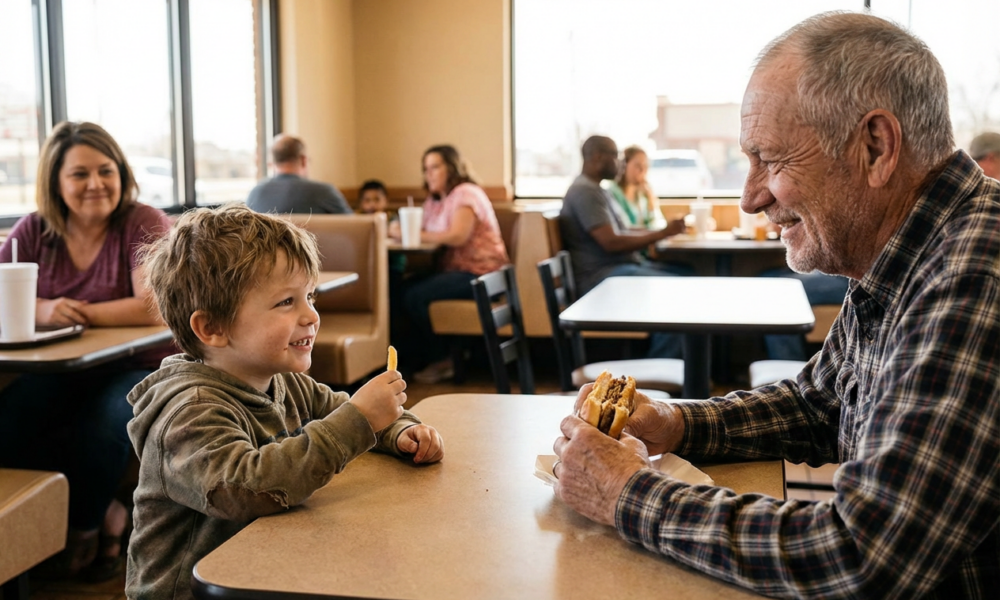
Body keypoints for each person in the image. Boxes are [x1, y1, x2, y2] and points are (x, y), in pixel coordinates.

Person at [552, 12, 998, 598]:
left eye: (773, 159)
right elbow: (818, 405)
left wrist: (626, 494)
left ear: (876, 146)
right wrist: (675, 422)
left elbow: (863, 555)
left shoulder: (976, 268)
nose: (749, 196)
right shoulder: (906, 249)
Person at [125, 204, 443, 600]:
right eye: (286, 303)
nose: (311, 315)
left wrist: (400, 430)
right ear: (212, 327)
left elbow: (341, 412)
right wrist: (361, 419)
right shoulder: (188, 410)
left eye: (309, 296)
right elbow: (246, 489)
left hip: (268, 570)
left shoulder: (284, 382)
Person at [0, 121, 172, 581]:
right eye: (80, 174)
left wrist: (80, 314)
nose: (96, 183)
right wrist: (44, 306)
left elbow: (154, 306)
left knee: (102, 426)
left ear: (121, 174)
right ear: (55, 182)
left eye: (106, 170)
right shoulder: (34, 230)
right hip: (66, 367)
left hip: (145, 363)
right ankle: (35, 530)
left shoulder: (143, 222)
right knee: (11, 417)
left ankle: (87, 525)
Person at [559, 135, 688, 358]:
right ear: (598, 157)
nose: (620, 162)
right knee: (675, 291)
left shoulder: (599, 190)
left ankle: (679, 364)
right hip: (602, 277)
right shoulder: (585, 192)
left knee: (687, 274)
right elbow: (611, 242)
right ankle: (661, 368)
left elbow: (623, 232)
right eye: (616, 156)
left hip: (618, 269)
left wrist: (663, 231)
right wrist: (662, 233)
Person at [388, 145, 509, 383]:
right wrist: (398, 227)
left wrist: (410, 234)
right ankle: (413, 360)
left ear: (452, 168)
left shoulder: (466, 193)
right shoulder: (435, 202)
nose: (429, 174)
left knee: (415, 296)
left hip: (483, 273)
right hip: (457, 271)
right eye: (426, 169)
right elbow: (415, 227)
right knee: (399, 289)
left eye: (435, 167)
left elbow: (457, 236)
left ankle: (446, 359)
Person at [245, 134, 351, 215]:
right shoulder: (324, 192)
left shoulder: (256, 193)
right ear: (303, 160)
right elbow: (354, 229)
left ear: (273, 163)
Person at [759, 269, 849, 360]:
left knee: (779, 293)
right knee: (765, 277)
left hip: (848, 278)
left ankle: (789, 366)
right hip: (826, 273)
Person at [607, 145, 666, 230]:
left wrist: (651, 202)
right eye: (638, 166)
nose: (643, 170)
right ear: (624, 165)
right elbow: (625, 228)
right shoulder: (613, 193)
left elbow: (658, 225)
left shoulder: (643, 193)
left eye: (645, 166)